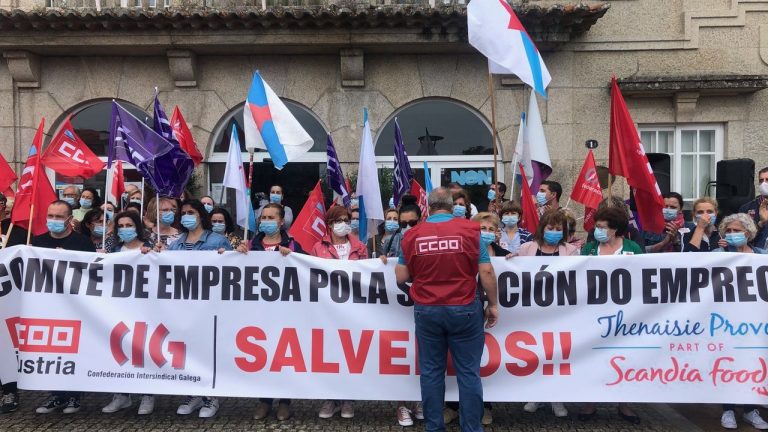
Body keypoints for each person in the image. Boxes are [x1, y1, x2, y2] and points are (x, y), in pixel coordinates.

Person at [395, 187, 498, 432]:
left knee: (431, 373)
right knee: (469, 373)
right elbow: (486, 271)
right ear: (453, 206)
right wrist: (493, 304)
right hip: (464, 308)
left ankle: (434, 428)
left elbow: (401, 275)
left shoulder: (412, 235)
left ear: (427, 207)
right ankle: (472, 428)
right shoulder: (471, 231)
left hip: (427, 309)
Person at [157, 199, 231, 418]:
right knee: (186, 351)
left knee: (207, 351)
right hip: (184, 307)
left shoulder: (217, 240)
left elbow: (231, 271)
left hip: (209, 306)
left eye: (191, 212)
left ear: (200, 214)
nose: (186, 216)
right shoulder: (176, 244)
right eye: (184, 213)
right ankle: (192, 393)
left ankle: (210, 396)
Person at [237, 203, 304, 421]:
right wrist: (237, 254)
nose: (265, 220)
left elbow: (307, 270)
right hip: (257, 314)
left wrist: (292, 256)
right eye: (263, 217)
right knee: (262, 356)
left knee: (282, 357)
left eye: (271, 217)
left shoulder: (293, 245)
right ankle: (264, 401)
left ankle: (285, 402)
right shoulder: (251, 245)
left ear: (281, 221)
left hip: (285, 313)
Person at [578, 207, 642, 424]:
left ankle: (625, 405)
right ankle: (590, 403)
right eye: (597, 226)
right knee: (594, 357)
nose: (598, 230)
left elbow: (645, 275)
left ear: (615, 229)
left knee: (624, 358)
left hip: (625, 315)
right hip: (594, 313)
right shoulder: (589, 248)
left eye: (603, 227)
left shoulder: (632, 247)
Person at [33, 200, 95, 415]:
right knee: (51, 352)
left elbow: (91, 275)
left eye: (59, 217)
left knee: (74, 351)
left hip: (75, 307)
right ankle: (56, 395)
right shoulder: (37, 243)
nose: (54, 220)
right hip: (47, 307)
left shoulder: (82, 243)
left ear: (70, 219)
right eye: (51, 216)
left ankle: (74, 396)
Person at [707, 213, 768, 429]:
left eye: (737, 231)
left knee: (753, 365)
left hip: (755, 323)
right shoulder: (718, 254)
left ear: (749, 233)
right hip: (726, 322)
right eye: (728, 231)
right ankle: (729, 410)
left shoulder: (762, 256)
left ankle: (752, 409)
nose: (732, 235)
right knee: (728, 364)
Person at [515, 210, 575, 418]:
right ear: (542, 229)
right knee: (536, 354)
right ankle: (536, 395)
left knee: (556, 355)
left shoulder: (571, 251)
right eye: (550, 228)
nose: (554, 232)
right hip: (532, 312)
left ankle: (556, 398)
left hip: (559, 312)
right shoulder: (526, 248)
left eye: (559, 229)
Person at [310, 206, 368, 419]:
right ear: (330, 224)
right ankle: (329, 398)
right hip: (326, 311)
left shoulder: (360, 247)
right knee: (328, 354)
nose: (344, 223)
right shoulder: (318, 247)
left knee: (349, 354)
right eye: (339, 220)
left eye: (346, 219)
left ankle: (347, 399)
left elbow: (369, 276)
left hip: (352, 310)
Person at [101, 211, 155, 415]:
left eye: (129, 225)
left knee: (144, 351)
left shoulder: (149, 247)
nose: (125, 229)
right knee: (119, 351)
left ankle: (147, 394)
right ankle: (121, 395)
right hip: (118, 308)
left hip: (145, 308)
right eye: (121, 226)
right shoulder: (113, 248)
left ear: (137, 227)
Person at [379, 196, 424, 427]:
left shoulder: (428, 239)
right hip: (397, 307)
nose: (407, 228)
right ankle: (401, 404)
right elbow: (380, 264)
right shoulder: (393, 239)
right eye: (403, 224)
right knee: (400, 355)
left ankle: (418, 401)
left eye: (412, 223)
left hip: (424, 305)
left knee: (420, 356)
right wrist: (381, 260)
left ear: (421, 220)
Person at [738, 167, 768, 249]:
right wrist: (761, 223)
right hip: (756, 255)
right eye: (761, 180)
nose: (764, 183)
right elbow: (741, 237)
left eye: (767, 180)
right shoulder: (746, 208)